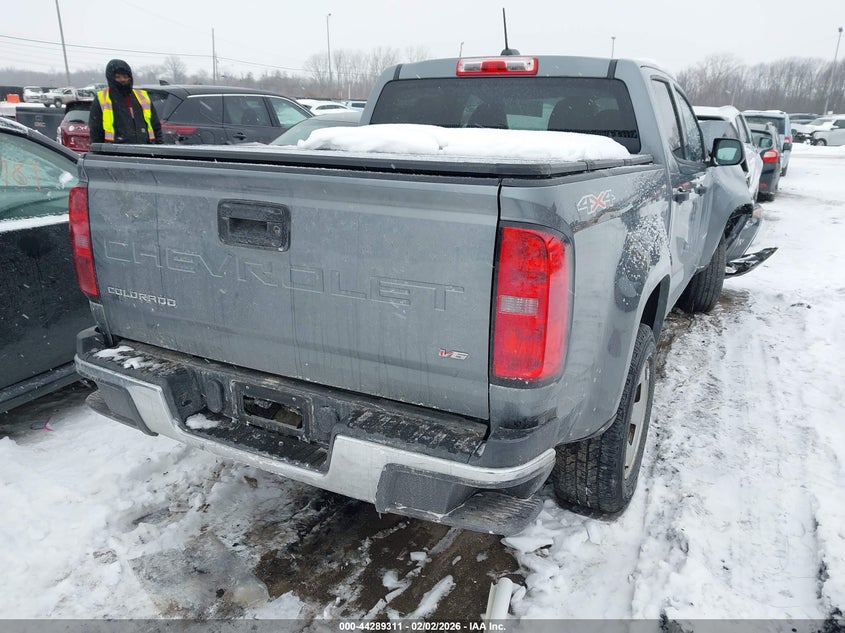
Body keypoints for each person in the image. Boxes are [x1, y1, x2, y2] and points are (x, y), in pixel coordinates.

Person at [89, 59, 162, 144]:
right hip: (115, 153)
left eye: (125, 76)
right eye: (118, 77)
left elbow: (156, 127)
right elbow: (96, 132)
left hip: (145, 151)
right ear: (111, 78)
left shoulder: (142, 97)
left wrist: (160, 151)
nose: (122, 79)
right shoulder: (102, 99)